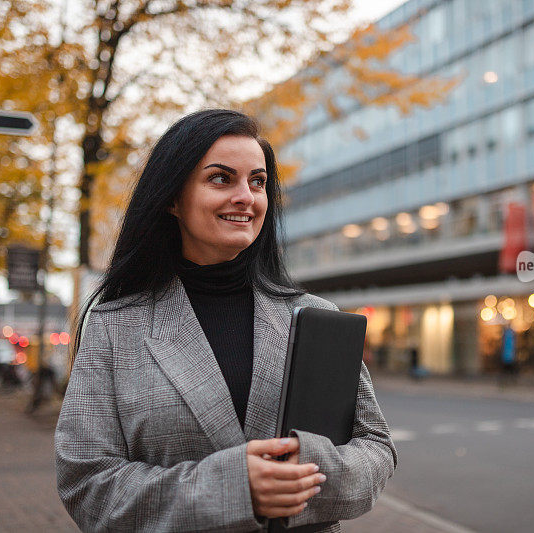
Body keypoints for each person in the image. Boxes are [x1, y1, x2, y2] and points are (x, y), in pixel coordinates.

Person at [55, 110, 397, 532]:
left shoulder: (317, 317)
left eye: (257, 181)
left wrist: (298, 470)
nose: (246, 197)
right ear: (172, 198)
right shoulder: (115, 326)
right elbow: (87, 485)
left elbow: (376, 449)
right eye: (221, 178)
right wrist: (232, 489)